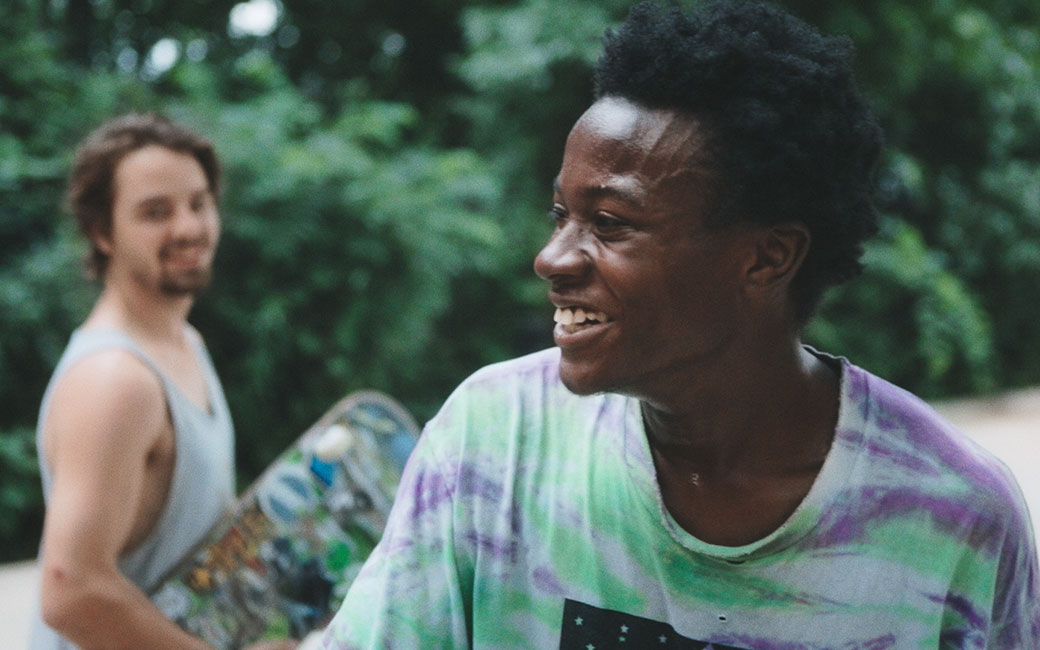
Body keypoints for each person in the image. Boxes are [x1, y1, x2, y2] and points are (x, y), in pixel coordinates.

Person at [322, 1, 1040, 648]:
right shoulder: (495, 440)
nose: (552, 258)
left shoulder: (956, 517)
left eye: (609, 223)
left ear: (767, 257)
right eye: (560, 215)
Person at [29, 114, 294, 650]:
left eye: (198, 203)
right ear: (102, 231)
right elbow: (71, 592)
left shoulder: (184, 344)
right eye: (156, 212)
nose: (189, 228)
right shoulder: (116, 380)